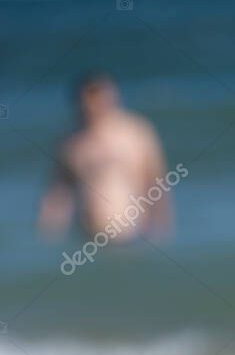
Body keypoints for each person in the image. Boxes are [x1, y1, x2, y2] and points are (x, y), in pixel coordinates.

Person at [38, 73, 171, 241]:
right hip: (86, 236)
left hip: (130, 235)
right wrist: (47, 234)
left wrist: (160, 227)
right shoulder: (71, 143)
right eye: (90, 101)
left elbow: (156, 182)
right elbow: (58, 192)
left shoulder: (135, 133)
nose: (96, 106)